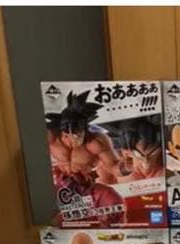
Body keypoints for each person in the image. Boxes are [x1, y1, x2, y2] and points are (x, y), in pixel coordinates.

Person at [45, 91, 125, 225]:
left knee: (112, 200)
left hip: (85, 188)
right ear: (63, 132)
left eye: (80, 134)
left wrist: (126, 167)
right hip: (59, 186)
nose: (76, 139)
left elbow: (114, 167)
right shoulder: (52, 136)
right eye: (71, 136)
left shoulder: (95, 142)